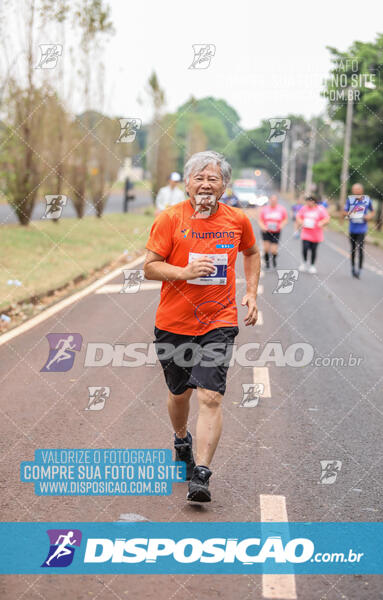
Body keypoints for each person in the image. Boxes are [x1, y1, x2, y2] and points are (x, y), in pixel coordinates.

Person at [144, 151, 260, 503]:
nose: (206, 184)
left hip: (219, 321)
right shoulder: (169, 219)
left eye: (213, 179)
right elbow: (150, 267)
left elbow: (252, 253)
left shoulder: (237, 220)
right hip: (173, 322)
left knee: (210, 395)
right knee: (180, 393)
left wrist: (251, 292)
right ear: (188, 185)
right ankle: (181, 438)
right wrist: (183, 273)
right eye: (199, 178)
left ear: (224, 185)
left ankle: (202, 473)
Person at [343, 183, 375, 279]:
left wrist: (368, 216)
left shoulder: (367, 200)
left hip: (362, 229)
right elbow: (344, 212)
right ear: (352, 191)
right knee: (353, 250)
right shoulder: (350, 199)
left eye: (358, 189)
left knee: (360, 249)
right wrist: (351, 214)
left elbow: (372, 211)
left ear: (361, 190)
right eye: (354, 189)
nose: (356, 191)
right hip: (352, 229)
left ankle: (360, 270)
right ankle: (353, 268)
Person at [296, 194, 330, 274]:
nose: (307, 203)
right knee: (305, 248)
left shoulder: (320, 209)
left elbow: (327, 218)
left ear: (314, 202)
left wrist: (322, 223)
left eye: (309, 201)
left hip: (316, 234)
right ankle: (304, 263)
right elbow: (298, 217)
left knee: (313, 250)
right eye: (307, 201)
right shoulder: (304, 209)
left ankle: (312, 265)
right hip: (306, 233)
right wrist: (301, 222)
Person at [258, 194, 288, 269]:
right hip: (266, 231)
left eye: (275, 200)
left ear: (277, 201)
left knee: (274, 250)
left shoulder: (281, 209)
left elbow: (285, 219)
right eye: (272, 200)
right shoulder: (265, 209)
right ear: (269, 200)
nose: (273, 201)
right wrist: (263, 227)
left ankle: (274, 259)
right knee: (266, 249)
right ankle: (267, 263)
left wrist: (281, 225)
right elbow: (260, 220)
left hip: (276, 231)